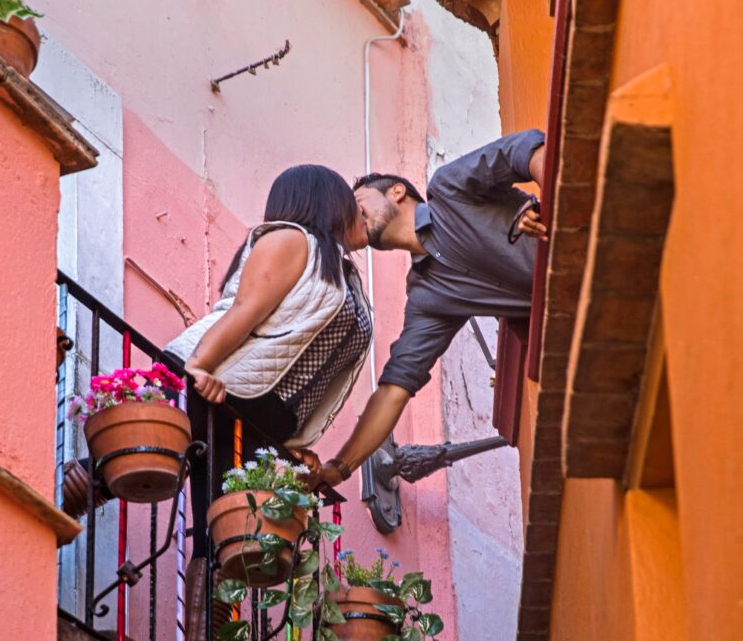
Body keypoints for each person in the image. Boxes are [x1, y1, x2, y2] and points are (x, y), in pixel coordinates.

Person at [159, 164, 371, 639]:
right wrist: (201, 365)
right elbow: (247, 309)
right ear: (328, 202)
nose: (363, 216)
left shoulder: (341, 271)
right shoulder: (291, 240)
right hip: (218, 384)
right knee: (213, 517)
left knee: (228, 531)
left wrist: (292, 441)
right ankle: (76, 489)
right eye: (353, 206)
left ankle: (208, 628)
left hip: (258, 408)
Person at [304, 129, 547, 491]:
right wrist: (339, 469)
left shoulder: (449, 188)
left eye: (357, 201)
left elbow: (525, 149)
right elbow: (394, 388)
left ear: (397, 192)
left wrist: (557, 203)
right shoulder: (427, 297)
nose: (347, 214)